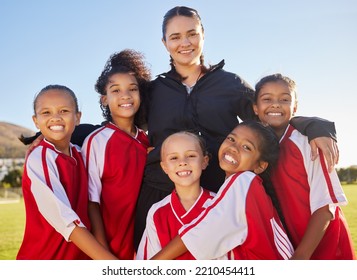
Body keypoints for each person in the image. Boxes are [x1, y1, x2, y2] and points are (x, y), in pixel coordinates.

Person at [133, 5, 339, 250]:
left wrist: (316, 125)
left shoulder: (229, 83)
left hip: (221, 195)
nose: (185, 42)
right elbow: (123, 125)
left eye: (192, 33)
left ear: (203, 34)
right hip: (161, 191)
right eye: (175, 37)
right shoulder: (154, 91)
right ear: (164, 42)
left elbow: (269, 113)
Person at [151, 120, 294, 260]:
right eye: (231, 139)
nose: (233, 147)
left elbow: (200, 236)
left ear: (260, 166)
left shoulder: (244, 181)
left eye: (246, 147)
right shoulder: (245, 187)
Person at [252, 73, 356, 260]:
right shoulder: (257, 148)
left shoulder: (310, 143)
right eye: (267, 99)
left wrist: (300, 257)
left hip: (326, 245)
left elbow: (325, 208)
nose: (276, 104)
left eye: (284, 99)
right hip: (290, 244)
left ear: (295, 107)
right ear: (255, 108)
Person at [17, 85, 117, 260]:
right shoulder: (40, 158)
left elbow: (91, 204)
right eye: (46, 113)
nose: (55, 118)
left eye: (63, 110)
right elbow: (67, 222)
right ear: (36, 121)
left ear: (77, 117)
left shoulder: (81, 154)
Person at [81, 49, 151, 259]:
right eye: (116, 90)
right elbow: (91, 200)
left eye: (132, 89)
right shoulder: (97, 141)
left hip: (142, 244)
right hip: (109, 246)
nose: (125, 96)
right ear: (104, 99)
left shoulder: (146, 140)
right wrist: (102, 250)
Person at [136, 131, 221, 260]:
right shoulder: (156, 212)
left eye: (191, 155)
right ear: (164, 167)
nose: (182, 162)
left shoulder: (220, 205)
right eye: (174, 158)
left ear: (204, 161)